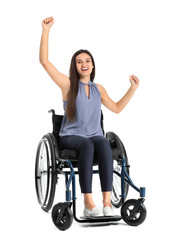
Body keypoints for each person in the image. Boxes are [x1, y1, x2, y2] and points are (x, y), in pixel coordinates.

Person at [39, 17, 139, 217]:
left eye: (87, 61)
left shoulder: (98, 89)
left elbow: (117, 108)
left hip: (94, 136)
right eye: (79, 61)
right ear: (75, 66)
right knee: (87, 145)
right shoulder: (68, 85)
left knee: (102, 143)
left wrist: (132, 88)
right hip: (71, 136)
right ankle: (88, 203)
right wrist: (46, 30)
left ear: (93, 66)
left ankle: (106, 203)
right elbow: (44, 61)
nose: (83, 64)